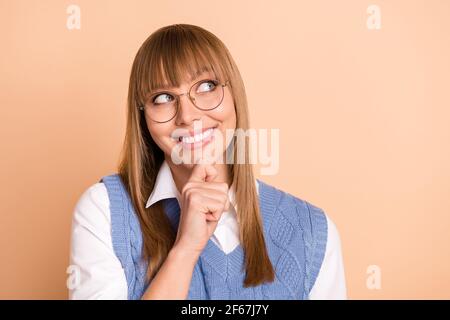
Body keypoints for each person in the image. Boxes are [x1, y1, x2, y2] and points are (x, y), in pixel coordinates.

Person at [69, 24, 347, 300]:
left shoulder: (312, 230)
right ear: (143, 116)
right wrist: (186, 249)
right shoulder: (103, 210)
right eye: (163, 97)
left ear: (234, 93)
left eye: (206, 86)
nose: (187, 116)